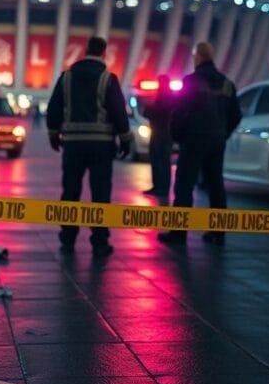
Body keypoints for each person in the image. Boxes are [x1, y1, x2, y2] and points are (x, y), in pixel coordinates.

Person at [46, 36, 132, 257]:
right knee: (100, 194)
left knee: (71, 192)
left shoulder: (66, 78)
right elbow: (118, 111)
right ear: (104, 53)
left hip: (73, 145)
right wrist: (125, 138)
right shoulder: (108, 78)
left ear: (85, 50)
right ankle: (99, 242)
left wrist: (54, 135)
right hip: (101, 146)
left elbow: (54, 108)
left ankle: (67, 238)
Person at [159, 42, 242, 247]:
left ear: (198, 57)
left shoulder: (191, 81)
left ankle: (179, 234)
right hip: (216, 140)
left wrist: (178, 135)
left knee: (184, 185)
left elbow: (178, 112)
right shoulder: (227, 84)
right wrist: (223, 133)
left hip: (194, 139)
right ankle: (218, 232)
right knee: (216, 185)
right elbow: (236, 115)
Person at [142, 74, 176, 204]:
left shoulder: (162, 97)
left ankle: (159, 187)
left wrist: (148, 107)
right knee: (163, 161)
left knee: (158, 160)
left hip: (159, 133)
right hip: (166, 133)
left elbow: (151, 113)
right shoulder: (171, 97)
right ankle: (162, 187)